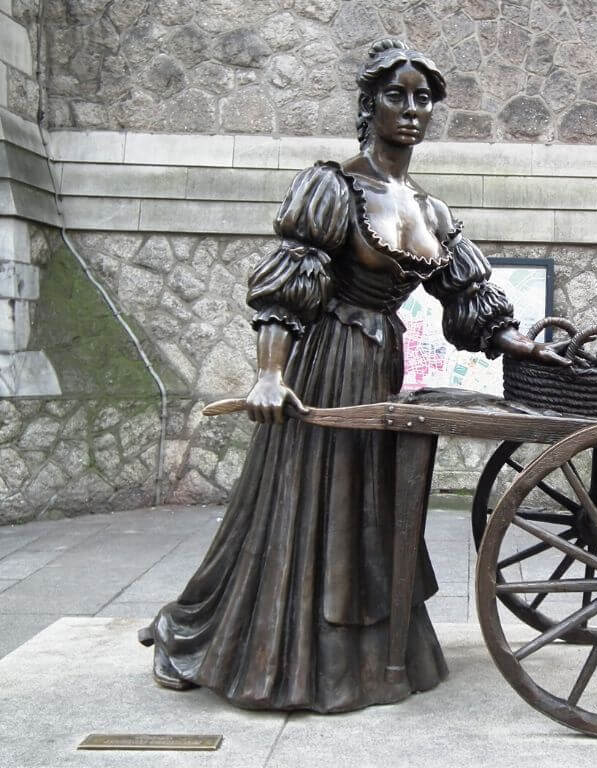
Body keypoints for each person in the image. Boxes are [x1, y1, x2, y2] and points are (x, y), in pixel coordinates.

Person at [138, 38, 564, 713]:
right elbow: (288, 288)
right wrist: (269, 375)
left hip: (382, 363)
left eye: (424, 99)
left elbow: (467, 298)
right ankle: (236, 641)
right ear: (370, 104)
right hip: (329, 362)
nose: (412, 109)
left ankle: (371, 653)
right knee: (308, 504)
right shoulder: (333, 187)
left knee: (370, 509)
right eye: (398, 94)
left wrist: (516, 343)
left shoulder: (430, 210)